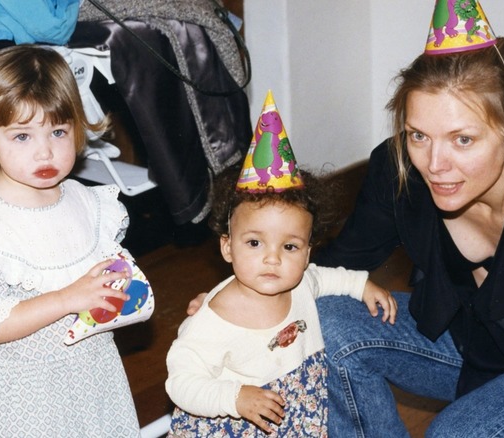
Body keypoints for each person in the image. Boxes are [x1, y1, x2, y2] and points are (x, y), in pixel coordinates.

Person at [189, 4, 504, 436]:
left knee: (456, 433)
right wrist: (233, 305)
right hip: (467, 344)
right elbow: (339, 264)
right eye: (418, 135)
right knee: (322, 317)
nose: (435, 163)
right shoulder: (398, 168)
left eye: (463, 139)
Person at [166, 91, 397, 437]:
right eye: (254, 242)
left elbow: (326, 278)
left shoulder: (303, 280)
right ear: (227, 248)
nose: (272, 258)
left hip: (297, 415)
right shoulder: (213, 320)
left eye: (289, 246)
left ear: (306, 254)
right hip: (235, 423)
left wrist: (361, 284)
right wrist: (234, 397)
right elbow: (181, 382)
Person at [0, 45, 141, 437]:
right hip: (28, 394)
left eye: (57, 131)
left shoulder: (86, 201)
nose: (45, 150)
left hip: (91, 375)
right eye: (21, 135)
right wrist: (67, 298)